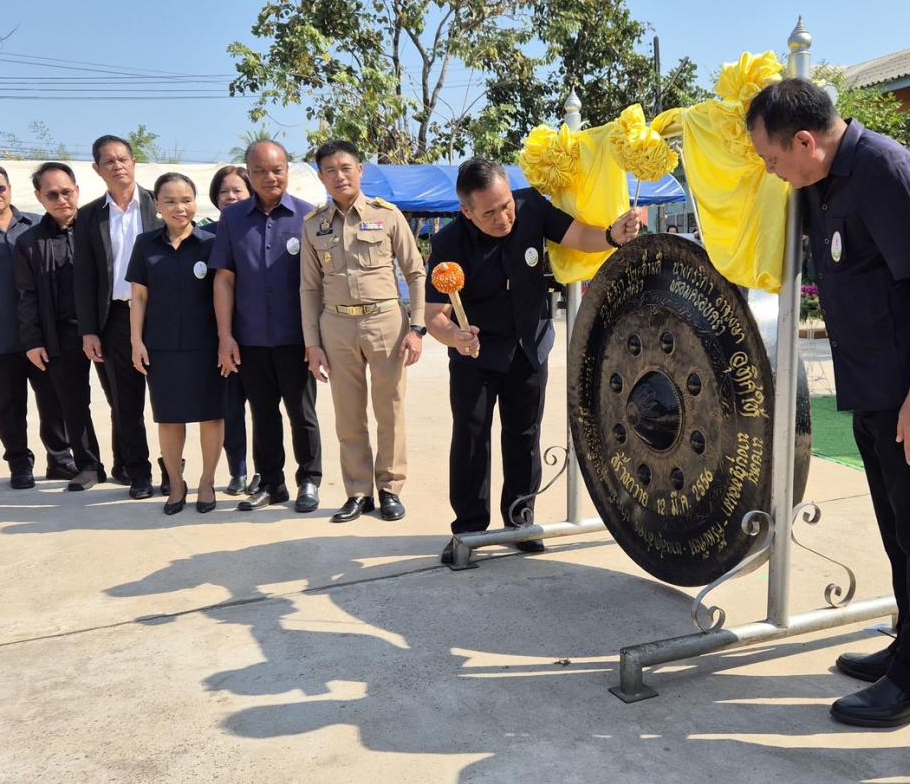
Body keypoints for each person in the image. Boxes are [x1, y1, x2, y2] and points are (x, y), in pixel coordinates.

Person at [748, 79, 910, 729]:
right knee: (901, 532)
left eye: (771, 157)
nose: (771, 170)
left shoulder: (883, 170)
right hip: (877, 387)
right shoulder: (819, 182)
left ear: (805, 141)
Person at [424, 157, 641, 560]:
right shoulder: (449, 242)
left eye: (505, 204)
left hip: (529, 347)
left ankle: (520, 519)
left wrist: (612, 235)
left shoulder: (531, 207)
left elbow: (577, 235)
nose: (503, 217)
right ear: (466, 211)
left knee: (524, 437)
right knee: (471, 440)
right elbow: (434, 314)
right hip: (476, 355)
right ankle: (469, 529)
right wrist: (454, 336)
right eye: (488, 212)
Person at [300, 140, 426, 524]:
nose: (339, 176)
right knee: (347, 415)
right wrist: (312, 344)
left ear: (361, 170)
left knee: (390, 411)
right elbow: (309, 287)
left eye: (346, 167)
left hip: (385, 321)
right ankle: (358, 492)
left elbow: (415, 271)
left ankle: (390, 488)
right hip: (336, 326)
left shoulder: (387, 216)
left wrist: (417, 326)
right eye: (330, 170)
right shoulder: (313, 225)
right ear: (321, 177)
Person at [210, 140, 322, 513]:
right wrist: (226, 336)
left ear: (287, 170)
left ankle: (309, 479)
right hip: (251, 338)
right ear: (249, 174)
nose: (269, 177)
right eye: (259, 171)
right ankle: (271, 484)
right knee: (263, 413)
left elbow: (319, 283)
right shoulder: (233, 219)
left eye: (276, 169)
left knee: (302, 413)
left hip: (297, 338)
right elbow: (224, 279)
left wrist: (316, 340)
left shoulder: (309, 218)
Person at [0, 164, 73, 489]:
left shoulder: (39, 225)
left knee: (53, 400)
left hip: (43, 334)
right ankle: (19, 465)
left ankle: (61, 460)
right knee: (10, 405)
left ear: (9, 188)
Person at [127, 173, 226, 515]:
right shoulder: (145, 245)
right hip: (161, 347)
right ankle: (176, 483)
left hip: (206, 345)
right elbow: (138, 297)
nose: (179, 207)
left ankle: (208, 481)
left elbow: (224, 293)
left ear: (196, 202)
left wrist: (226, 341)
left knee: (211, 416)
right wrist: (136, 341)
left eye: (185, 199)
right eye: (169, 201)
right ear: (157, 205)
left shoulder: (211, 243)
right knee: (169, 419)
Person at [74, 135, 161, 498]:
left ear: (134, 161)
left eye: (123, 158)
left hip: (160, 317)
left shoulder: (158, 204)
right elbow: (84, 276)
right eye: (109, 162)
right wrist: (89, 330)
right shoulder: (89, 215)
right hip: (114, 320)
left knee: (169, 399)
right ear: (97, 169)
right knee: (125, 404)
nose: (118, 166)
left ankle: (173, 471)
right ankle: (137, 472)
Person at [13, 163, 105, 491]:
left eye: (66, 192)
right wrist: (32, 341)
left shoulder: (99, 227)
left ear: (77, 190)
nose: (61, 199)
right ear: (39, 197)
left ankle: (131, 463)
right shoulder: (29, 242)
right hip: (62, 332)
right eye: (52, 194)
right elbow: (26, 296)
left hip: (106, 328)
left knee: (123, 400)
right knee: (73, 402)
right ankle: (88, 466)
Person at [206, 165, 259, 498]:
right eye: (224, 191)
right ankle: (236, 471)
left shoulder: (256, 230)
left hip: (256, 334)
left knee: (263, 408)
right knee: (229, 407)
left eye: (237, 190)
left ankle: (264, 471)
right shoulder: (204, 234)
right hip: (219, 336)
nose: (230, 197)